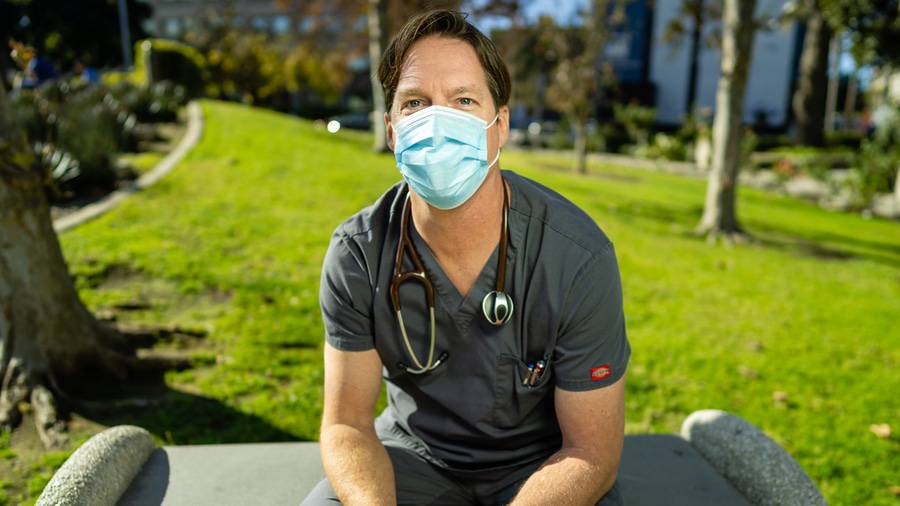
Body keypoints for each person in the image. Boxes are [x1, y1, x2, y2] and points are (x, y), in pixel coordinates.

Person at [303, 10, 630, 506]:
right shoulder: (359, 254)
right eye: (415, 103)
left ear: (499, 125)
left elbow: (591, 451)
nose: (437, 122)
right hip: (413, 457)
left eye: (463, 101)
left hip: (541, 468)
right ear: (392, 130)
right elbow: (347, 423)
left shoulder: (577, 258)